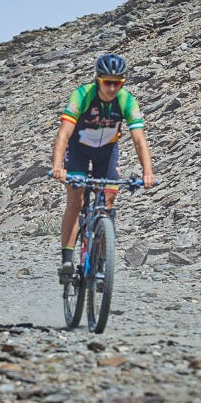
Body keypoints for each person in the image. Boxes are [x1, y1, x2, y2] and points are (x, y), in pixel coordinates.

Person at [51, 53, 157, 283]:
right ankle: (67, 260)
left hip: (106, 152)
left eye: (117, 83)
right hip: (78, 150)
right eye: (107, 82)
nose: (112, 88)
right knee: (76, 201)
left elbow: (139, 140)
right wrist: (58, 166)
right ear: (97, 79)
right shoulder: (82, 95)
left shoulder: (126, 100)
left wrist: (148, 172)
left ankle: (99, 262)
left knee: (107, 204)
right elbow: (64, 133)